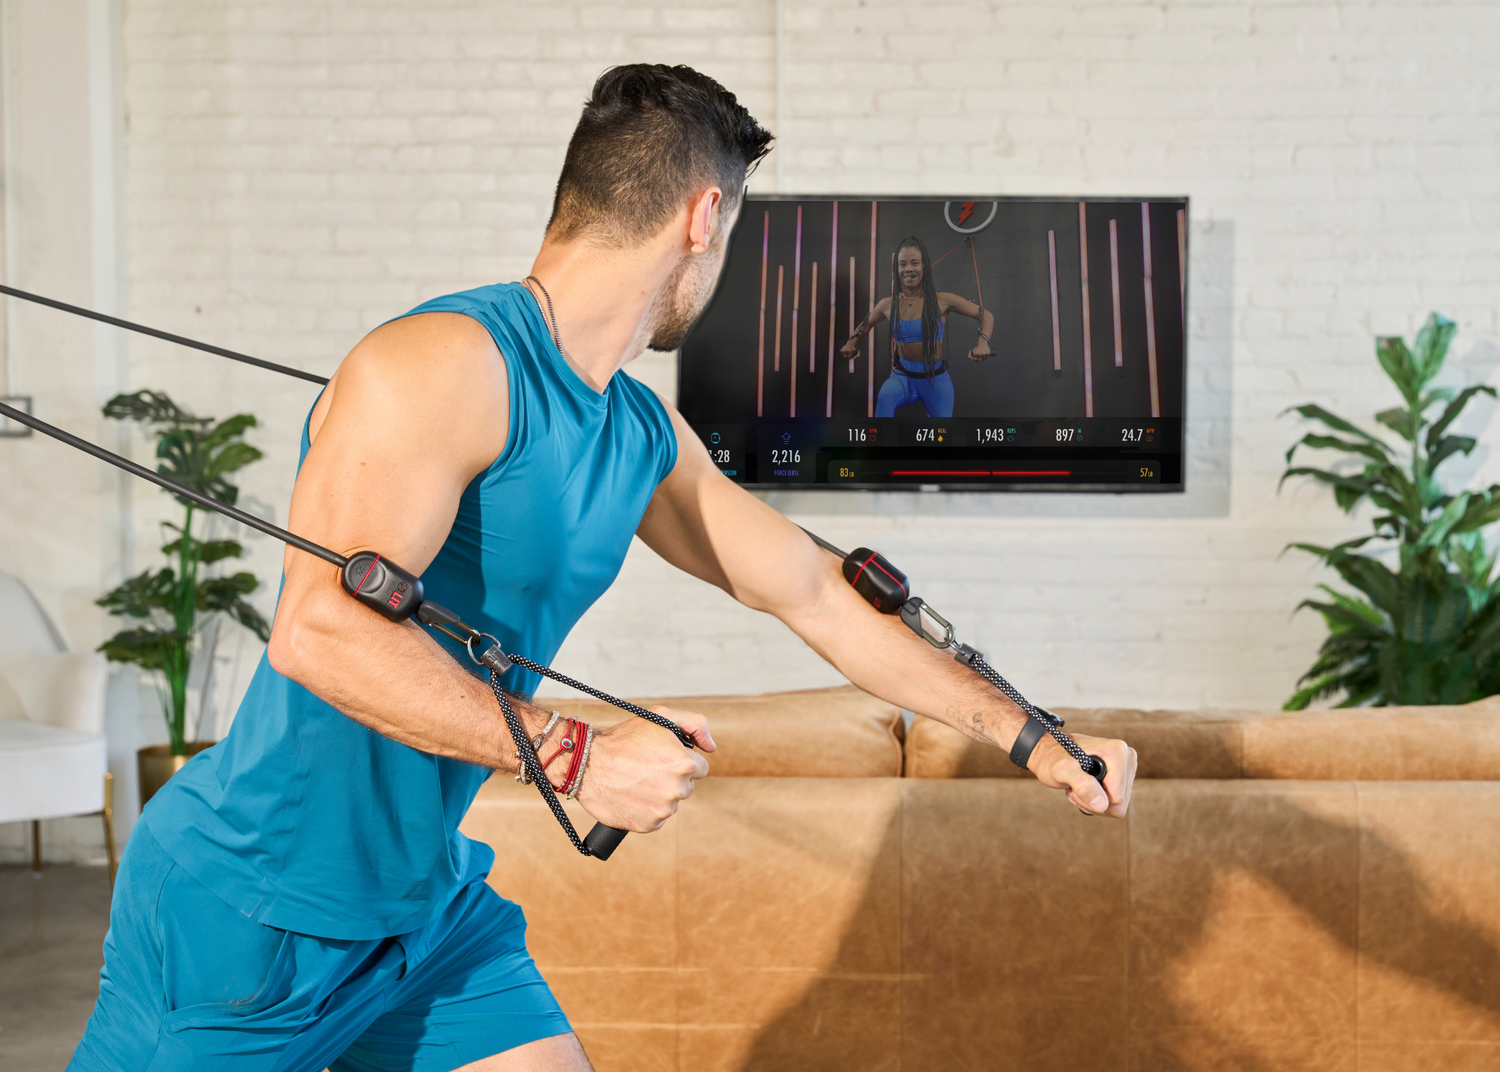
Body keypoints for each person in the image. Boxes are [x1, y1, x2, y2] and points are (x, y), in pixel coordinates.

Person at [71, 64, 1137, 1072]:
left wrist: (1031, 733)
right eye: (729, 238)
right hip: (253, 909)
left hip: (425, 917)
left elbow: (815, 591)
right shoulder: (440, 364)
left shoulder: (638, 433)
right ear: (702, 218)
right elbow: (321, 630)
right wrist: (574, 754)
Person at [839, 233, 995, 419]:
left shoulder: (942, 300)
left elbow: (986, 315)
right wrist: (851, 341)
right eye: (902, 264)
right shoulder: (888, 304)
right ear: (897, 269)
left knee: (941, 438)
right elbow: (866, 324)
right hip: (903, 377)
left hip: (935, 380)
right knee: (885, 397)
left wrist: (983, 341)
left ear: (924, 267)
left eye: (914, 263)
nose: (908, 269)